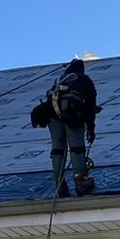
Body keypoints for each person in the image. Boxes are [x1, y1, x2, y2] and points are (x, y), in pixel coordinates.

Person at [29, 59, 100, 197]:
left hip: (51, 111)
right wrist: (91, 129)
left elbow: (52, 97)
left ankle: (59, 184)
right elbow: (90, 106)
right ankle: (80, 181)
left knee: (58, 148)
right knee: (76, 147)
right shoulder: (85, 79)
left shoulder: (60, 79)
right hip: (71, 110)